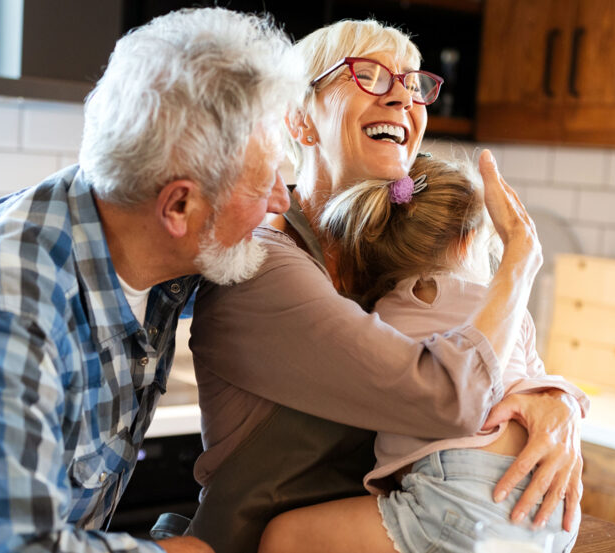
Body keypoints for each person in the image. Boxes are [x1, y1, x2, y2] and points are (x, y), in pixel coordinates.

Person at [0, 8, 303, 553]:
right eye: (264, 180)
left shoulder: (147, 245)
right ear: (179, 205)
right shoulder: (6, 308)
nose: (280, 200)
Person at [183, 19, 587, 553]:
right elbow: (449, 396)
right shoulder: (262, 262)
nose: (402, 96)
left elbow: (500, 356)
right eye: (368, 75)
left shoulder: (402, 259)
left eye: (413, 83)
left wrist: (555, 401)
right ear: (300, 119)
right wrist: (519, 261)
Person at [258, 155, 585, 553]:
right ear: (468, 241)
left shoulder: (379, 315)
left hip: (459, 495)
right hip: (550, 512)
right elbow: (541, 385)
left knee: (285, 536)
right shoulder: (509, 309)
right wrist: (564, 398)